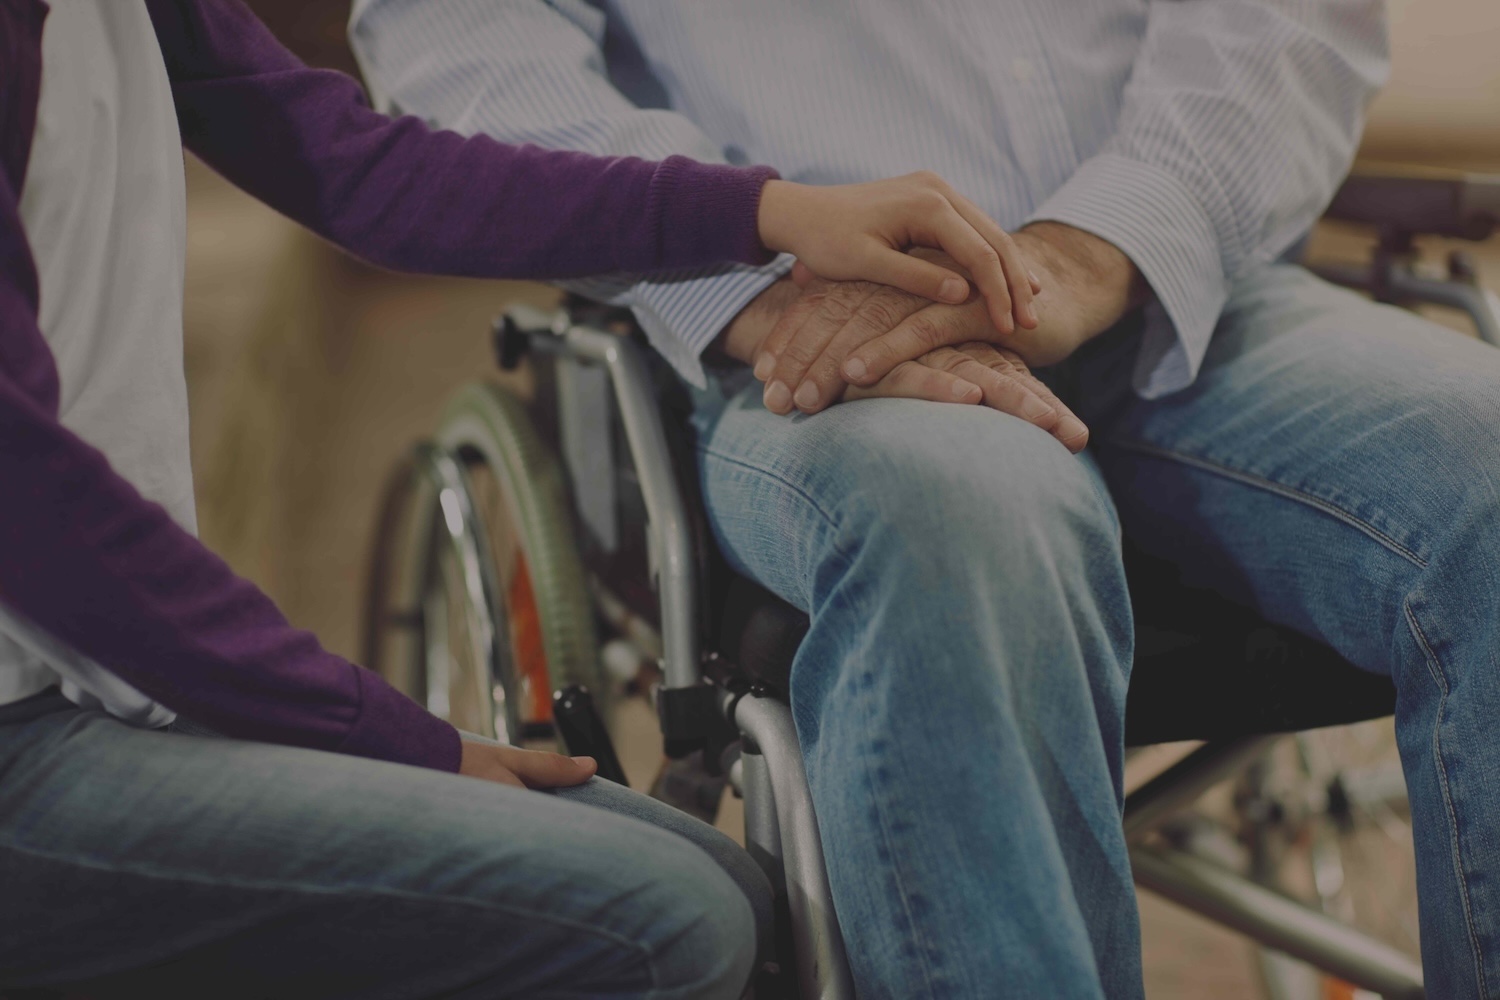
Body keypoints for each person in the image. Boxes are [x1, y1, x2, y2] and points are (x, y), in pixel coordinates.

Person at [350, 3, 1500, 998]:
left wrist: (1104, 241)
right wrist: (746, 261)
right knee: (961, 517)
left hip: (1170, 277)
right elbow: (460, 29)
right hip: (797, 315)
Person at [0, 1, 1044, 996]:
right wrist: (380, 730)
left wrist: (769, 214)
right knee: (667, 923)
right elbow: (33, 510)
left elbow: (364, 170)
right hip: (28, 731)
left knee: (721, 879)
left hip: (86, 687)